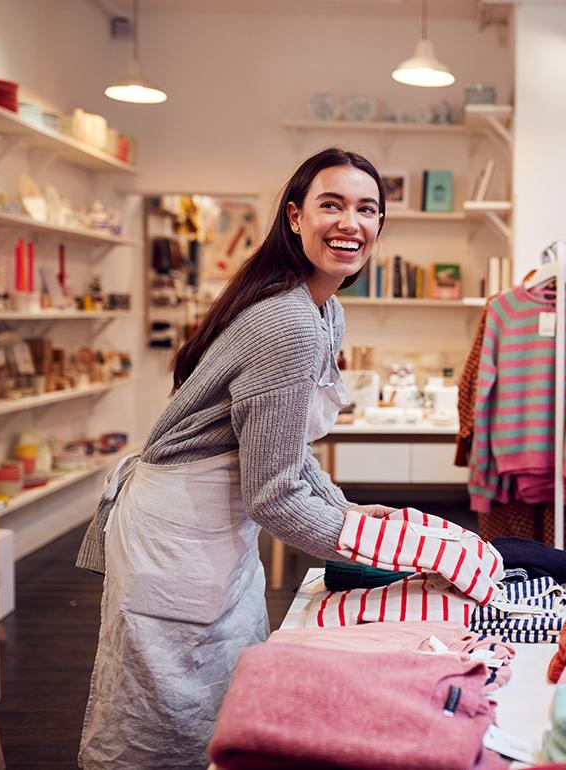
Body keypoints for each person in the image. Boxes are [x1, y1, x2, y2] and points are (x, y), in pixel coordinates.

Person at [76, 147, 396, 769]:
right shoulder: (290, 322)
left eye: (366, 209)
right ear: (295, 217)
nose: (349, 222)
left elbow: (283, 448)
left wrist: (345, 511)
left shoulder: (322, 310)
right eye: (331, 204)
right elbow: (273, 492)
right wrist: (363, 544)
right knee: (162, 715)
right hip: (179, 535)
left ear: (380, 226)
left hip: (214, 527)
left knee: (224, 688)